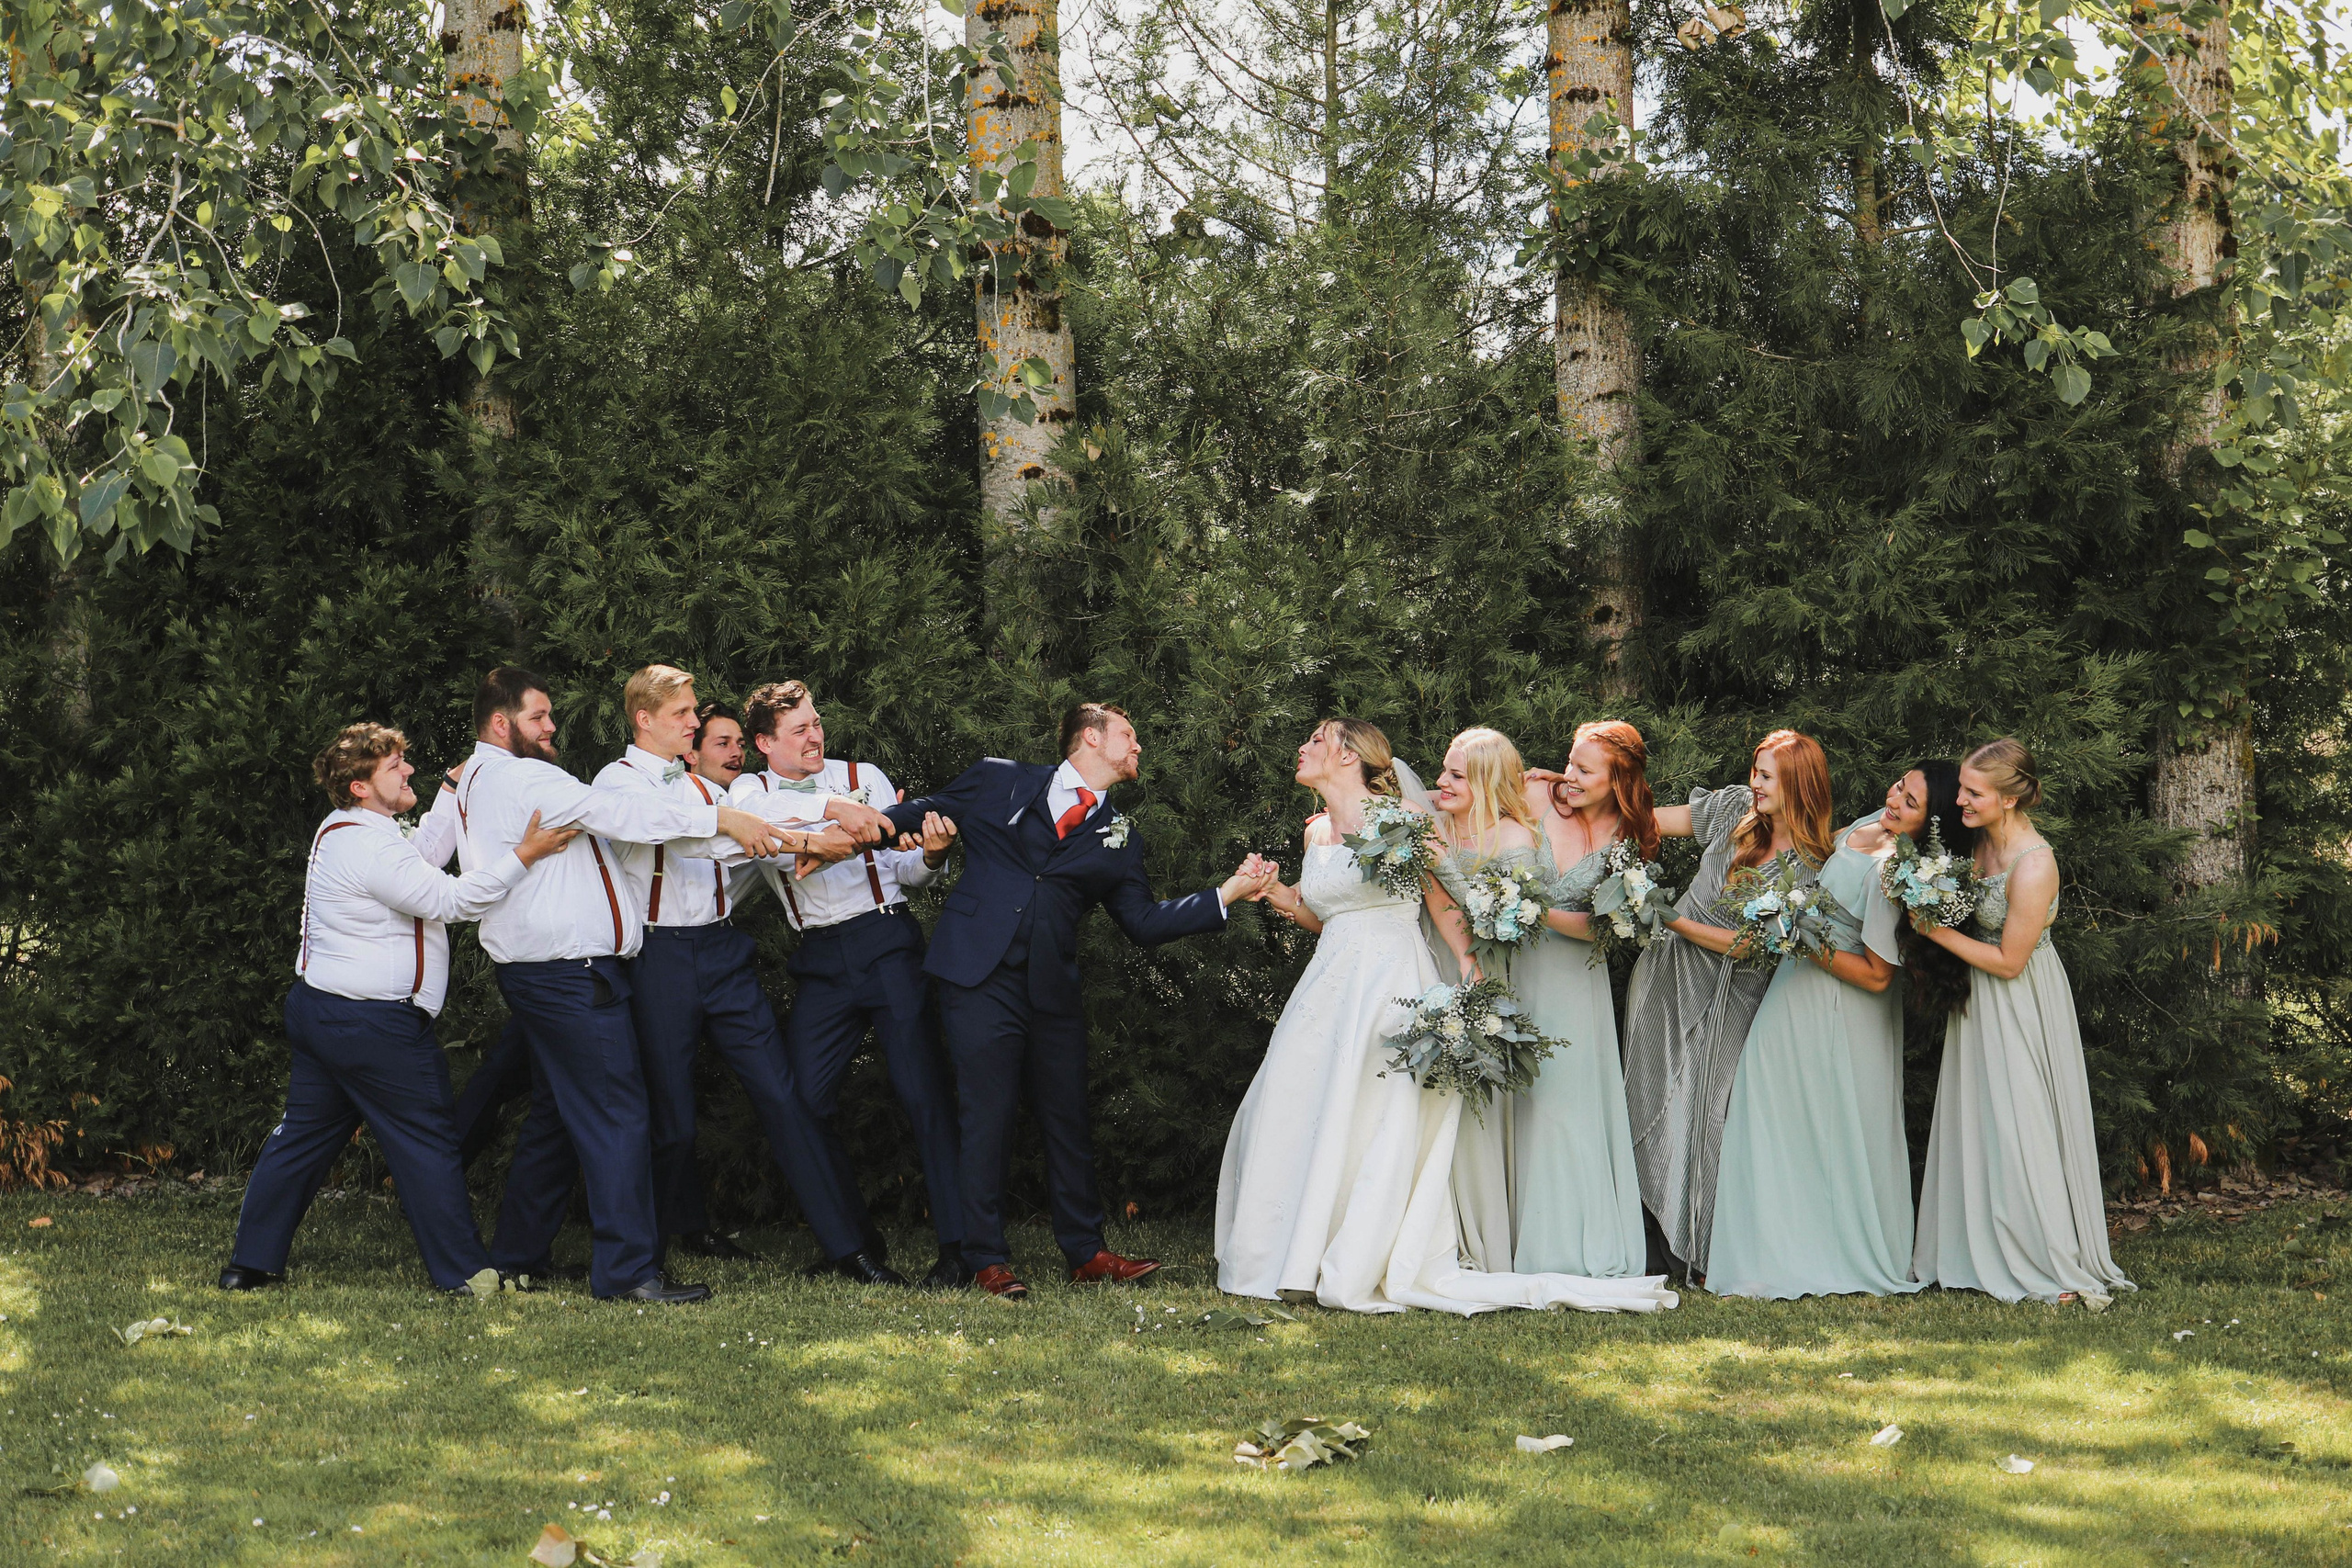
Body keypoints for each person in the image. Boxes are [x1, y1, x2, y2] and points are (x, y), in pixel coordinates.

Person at [1220, 718, 1676, 1316]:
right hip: (1327, 987)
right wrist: (1278, 893)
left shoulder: (1404, 821)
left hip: (1390, 981)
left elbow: (1440, 896)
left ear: (1350, 753)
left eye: (1316, 739)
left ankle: (1363, 1252)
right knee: (1296, 1106)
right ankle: (1288, 1249)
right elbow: (1321, 908)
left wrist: (1466, 964)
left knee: (1374, 1119)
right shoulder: (1320, 831)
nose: (1301, 746)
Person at [829, 703, 1274, 1299]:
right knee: (986, 1115)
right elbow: (921, 809)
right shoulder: (999, 777)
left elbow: (1141, 921)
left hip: (1050, 988)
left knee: (1068, 1117)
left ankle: (1086, 1251)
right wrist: (872, 824)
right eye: (1130, 733)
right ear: (1090, 738)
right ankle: (985, 1256)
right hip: (976, 974)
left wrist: (1227, 892)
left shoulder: (1121, 835)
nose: (1139, 746)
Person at [457, 665, 792, 1303]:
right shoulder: (523, 775)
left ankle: (519, 1254)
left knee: (557, 1117)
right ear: (501, 723)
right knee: (618, 1114)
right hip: (569, 971)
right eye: (539, 716)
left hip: (545, 970)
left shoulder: (474, 777)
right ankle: (627, 1271)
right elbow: (615, 811)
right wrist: (723, 819)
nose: (553, 725)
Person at [555, 665, 900, 1283]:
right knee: (672, 1120)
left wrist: (817, 838)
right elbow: (687, 837)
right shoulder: (618, 780)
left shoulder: (710, 789)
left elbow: (755, 826)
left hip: (723, 954)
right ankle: (644, 1262)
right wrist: (741, 826)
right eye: (684, 713)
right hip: (660, 958)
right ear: (644, 718)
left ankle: (849, 1249)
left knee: (785, 1095)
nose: (695, 721)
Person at [221, 723, 576, 1292]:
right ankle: (465, 1275)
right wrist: (525, 854)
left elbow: (421, 861)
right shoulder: (365, 842)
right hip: (373, 1023)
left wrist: (449, 792)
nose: (408, 769)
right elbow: (449, 897)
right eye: (394, 767)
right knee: (428, 1141)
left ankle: (250, 1263)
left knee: (304, 1137)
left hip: (326, 1012)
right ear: (360, 787)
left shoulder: (358, 831)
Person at [730, 680, 970, 1290]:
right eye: (799, 729)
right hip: (820, 958)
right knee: (802, 1101)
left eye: (816, 722)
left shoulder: (866, 774)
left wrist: (934, 854)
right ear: (763, 742)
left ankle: (960, 1247)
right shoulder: (748, 790)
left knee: (924, 1094)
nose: (815, 736)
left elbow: (903, 870)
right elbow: (770, 835)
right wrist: (837, 821)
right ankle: (855, 1245)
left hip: (886, 940)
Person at [1913, 738, 2134, 1304]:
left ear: (2010, 800)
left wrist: (1934, 930)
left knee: (2022, 1122)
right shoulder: (1977, 842)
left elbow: (2011, 962)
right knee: (1980, 1115)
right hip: (1978, 998)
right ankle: (1967, 1249)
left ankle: (2045, 1259)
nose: (1959, 799)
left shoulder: (2035, 864)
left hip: (2019, 998)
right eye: (1961, 787)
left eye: (1972, 791)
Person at [1703, 756, 1927, 1300]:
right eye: (1898, 786)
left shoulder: (1897, 867)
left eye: (1912, 802)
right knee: (1770, 1118)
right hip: (1792, 992)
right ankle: (1768, 1252)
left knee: (1837, 1130)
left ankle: (1828, 1257)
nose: (1895, 800)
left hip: (1840, 1008)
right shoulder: (1873, 822)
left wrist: (1802, 936)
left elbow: (1877, 976)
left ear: (1932, 821)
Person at [1611, 728, 1827, 1284]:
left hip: (1736, 993)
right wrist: (1573, 792)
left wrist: (1670, 918)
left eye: (1767, 777)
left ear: (1800, 785)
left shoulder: (1810, 868)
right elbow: (1650, 821)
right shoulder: (1734, 810)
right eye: (1754, 771)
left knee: (1711, 1113)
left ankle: (1702, 1251)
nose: (1754, 785)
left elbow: (1756, 946)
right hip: (1665, 978)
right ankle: (1645, 1245)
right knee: (1649, 1100)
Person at [1510, 720, 1652, 1279]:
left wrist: (1529, 912)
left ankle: (1567, 1242)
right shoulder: (1533, 794)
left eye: (1584, 770)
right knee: (1512, 1103)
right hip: (1514, 969)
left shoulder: (1629, 838)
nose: (1569, 776)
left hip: (1574, 983)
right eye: (1568, 762)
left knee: (1564, 1106)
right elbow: (1457, 808)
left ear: (1618, 780)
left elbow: (1608, 929)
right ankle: (1508, 1237)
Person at [688, 703, 748, 792]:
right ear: (691, 755)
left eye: (741, 745)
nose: (738, 753)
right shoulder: (672, 801)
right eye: (723, 743)